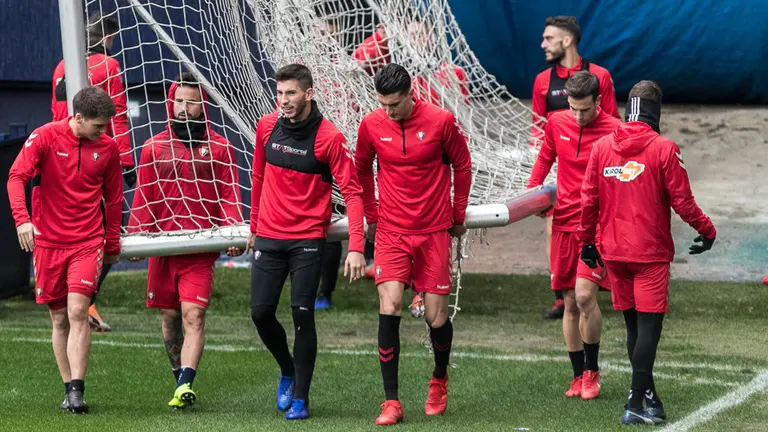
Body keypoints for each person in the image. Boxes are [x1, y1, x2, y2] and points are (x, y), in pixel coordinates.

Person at [579, 80, 716, 425]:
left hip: (614, 252)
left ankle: (649, 398)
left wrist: (587, 243)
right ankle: (634, 402)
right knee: (649, 329)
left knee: (634, 327)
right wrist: (707, 230)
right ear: (657, 112)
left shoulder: (601, 147)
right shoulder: (664, 149)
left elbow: (588, 200)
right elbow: (683, 202)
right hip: (649, 253)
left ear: (629, 109)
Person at [248, 63, 367, 420]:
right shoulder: (266, 127)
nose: (283, 100)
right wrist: (254, 226)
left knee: (302, 315)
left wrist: (356, 247)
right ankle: (287, 369)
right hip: (269, 236)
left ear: (309, 93)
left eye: (291, 93)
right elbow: (258, 175)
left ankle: (301, 398)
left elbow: (354, 193)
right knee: (260, 313)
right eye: (279, 93)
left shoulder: (329, 137)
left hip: (308, 240)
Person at [355, 63, 472, 425]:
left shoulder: (441, 121)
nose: (388, 111)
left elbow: (463, 165)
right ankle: (391, 401)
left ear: (410, 94)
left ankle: (439, 377)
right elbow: (362, 168)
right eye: (383, 104)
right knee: (389, 305)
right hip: (392, 232)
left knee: (437, 317)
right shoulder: (371, 124)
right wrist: (372, 213)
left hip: (434, 231)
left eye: (394, 104)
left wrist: (457, 214)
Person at [127, 73, 244, 409]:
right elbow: (144, 194)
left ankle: (185, 385)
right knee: (169, 317)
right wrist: (136, 235)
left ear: (202, 105)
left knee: (193, 316)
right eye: (178, 101)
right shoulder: (153, 147)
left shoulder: (221, 148)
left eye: (190, 102)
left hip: (200, 249)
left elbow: (229, 194)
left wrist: (233, 232)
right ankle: (179, 376)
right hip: (162, 248)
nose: (183, 107)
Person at [7, 86, 123, 413]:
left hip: (88, 241)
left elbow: (114, 199)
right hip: (48, 242)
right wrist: (22, 220)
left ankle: (77, 391)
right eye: (98, 125)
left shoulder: (109, 148)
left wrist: (112, 243)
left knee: (77, 312)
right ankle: (67, 386)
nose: (104, 131)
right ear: (79, 118)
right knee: (59, 319)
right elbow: (16, 177)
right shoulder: (45, 137)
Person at [527, 71, 621, 400]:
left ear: (599, 101)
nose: (578, 116)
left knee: (583, 297)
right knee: (568, 302)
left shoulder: (614, 130)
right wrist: (532, 192)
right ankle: (578, 375)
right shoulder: (556, 122)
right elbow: (545, 157)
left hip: (597, 226)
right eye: (573, 108)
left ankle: (592, 371)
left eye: (585, 109)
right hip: (564, 222)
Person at [532, 15, 619, 320]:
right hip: (564, 175)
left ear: (566, 40)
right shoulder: (542, 81)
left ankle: (601, 285)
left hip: (596, 180)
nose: (543, 44)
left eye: (548, 38)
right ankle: (561, 294)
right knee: (552, 230)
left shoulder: (600, 76)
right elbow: (537, 131)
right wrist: (535, 188)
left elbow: (612, 123)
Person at [51, 11, 134, 332]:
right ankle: (84, 301)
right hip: (96, 162)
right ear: (107, 37)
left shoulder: (61, 67)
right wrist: (127, 160)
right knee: (108, 232)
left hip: (60, 159)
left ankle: (74, 303)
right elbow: (119, 116)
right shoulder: (108, 66)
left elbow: (55, 114)